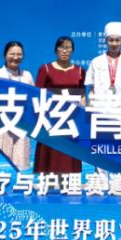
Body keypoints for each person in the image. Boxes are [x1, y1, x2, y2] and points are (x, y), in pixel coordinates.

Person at [33, 36, 86, 174]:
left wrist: (82, 117)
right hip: (51, 120)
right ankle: (48, 183)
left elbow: (82, 96)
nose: (64, 50)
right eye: (61, 47)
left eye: (68, 48)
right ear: (56, 50)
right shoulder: (45, 69)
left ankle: (68, 183)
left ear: (72, 50)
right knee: (50, 159)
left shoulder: (80, 71)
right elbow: (37, 95)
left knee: (69, 157)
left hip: (71, 121)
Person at [0, 41, 34, 170]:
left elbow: (33, 102)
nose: (15, 57)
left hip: (21, 126)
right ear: (5, 55)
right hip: (1, 127)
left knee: (20, 166)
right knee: (0, 167)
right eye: (12, 54)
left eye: (19, 54)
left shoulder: (27, 76)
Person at [85, 21, 121, 122]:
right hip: (99, 110)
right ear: (106, 41)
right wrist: (90, 110)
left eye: (117, 40)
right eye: (111, 40)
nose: (114, 44)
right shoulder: (96, 62)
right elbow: (91, 89)